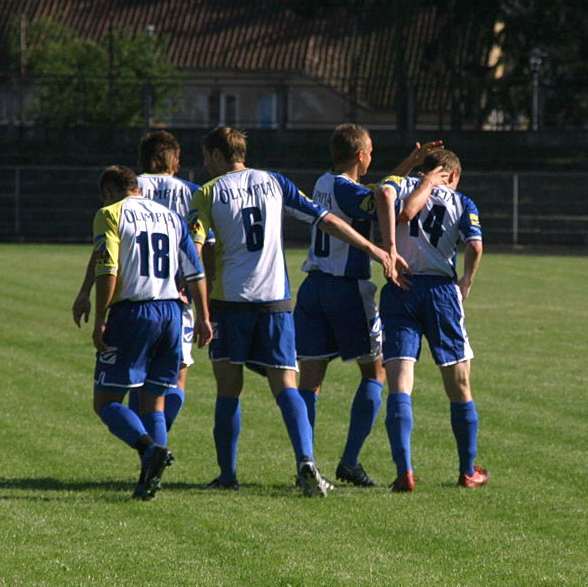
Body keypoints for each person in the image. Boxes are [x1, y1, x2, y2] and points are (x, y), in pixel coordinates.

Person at [188, 126, 395, 497]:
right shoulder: (275, 182)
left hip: (228, 301)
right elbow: (326, 220)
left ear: (219, 156)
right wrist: (374, 249)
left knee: (228, 390)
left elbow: (198, 249)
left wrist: (201, 311)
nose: (204, 165)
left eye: (206, 158)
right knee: (285, 386)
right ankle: (306, 463)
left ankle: (227, 474)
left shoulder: (206, 193)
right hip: (275, 302)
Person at [293, 123, 442, 487]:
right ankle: (349, 461)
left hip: (313, 287)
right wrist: (426, 182)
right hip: (346, 290)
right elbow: (382, 199)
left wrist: (407, 164)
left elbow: (378, 189)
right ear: (360, 154)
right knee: (375, 374)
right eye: (371, 150)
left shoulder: (324, 183)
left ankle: (306, 464)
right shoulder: (347, 191)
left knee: (310, 383)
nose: (373, 156)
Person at [89, 165, 212, 500]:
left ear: (111, 193)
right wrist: (203, 317)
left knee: (105, 402)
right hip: (173, 313)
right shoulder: (171, 216)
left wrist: (101, 318)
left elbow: (107, 269)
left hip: (134, 313)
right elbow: (196, 271)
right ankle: (150, 481)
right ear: (137, 188)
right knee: (153, 403)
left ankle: (148, 449)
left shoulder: (110, 214)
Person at [377, 149, 489, 492]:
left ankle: (405, 471)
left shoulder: (399, 186)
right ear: (451, 175)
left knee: (399, 383)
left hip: (400, 286)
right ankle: (467, 470)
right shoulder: (462, 201)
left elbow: (386, 198)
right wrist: (467, 280)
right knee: (458, 384)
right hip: (440, 292)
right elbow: (475, 245)